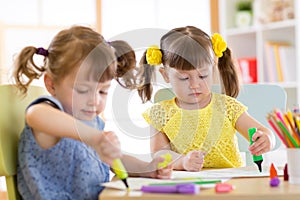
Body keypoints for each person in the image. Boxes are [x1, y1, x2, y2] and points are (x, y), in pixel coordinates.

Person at [13, 25, 172, 200]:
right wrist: (95, 138)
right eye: (82, 90)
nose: (95, 101)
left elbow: (116, 160)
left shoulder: (92, 124)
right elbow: (35, 115)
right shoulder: (50, 115)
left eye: (102, 91)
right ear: (51, 85)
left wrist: (147, 168)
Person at [137, 25, 275, 171]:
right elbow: (159, 153)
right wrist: (182, 162)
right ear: (165, 75)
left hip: (231, 182)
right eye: (184, 78)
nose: (194, 85)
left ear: (212, 68)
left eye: (202, 76)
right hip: (187, 183)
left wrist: (266, 139)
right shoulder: (160, 113)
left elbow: (263, 131)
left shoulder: (227, 107)